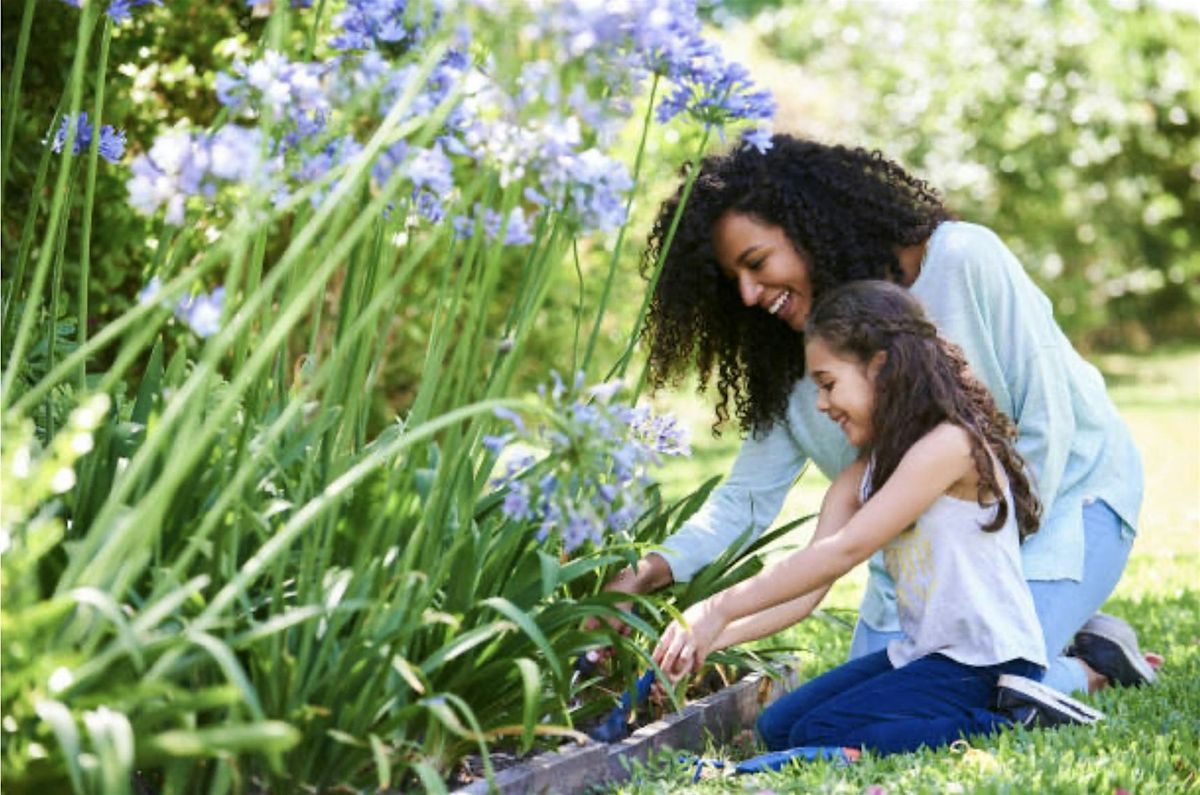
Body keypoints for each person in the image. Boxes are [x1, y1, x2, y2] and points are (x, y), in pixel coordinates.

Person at [602, 135, 1155, 705]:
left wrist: (991, 587)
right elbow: (743, 502)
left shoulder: (963, 260)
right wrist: (648, 571)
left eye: (757, 263)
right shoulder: (793, 366)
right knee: (884, 694)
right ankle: (1060, 639)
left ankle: (1090, 667)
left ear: (809, 225)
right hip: (928, 561)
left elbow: (1049, 424)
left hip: (1068, 503)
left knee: (977, 685)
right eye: (732, 280)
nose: (746, 293)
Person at [653, 281, 1092, 756]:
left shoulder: (951, 446)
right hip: (925, 655)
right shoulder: (863, 474)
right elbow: (807, 590)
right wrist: (708, 641)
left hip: (989, 661)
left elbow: (846, 549)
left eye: (827, 383)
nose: (821, 404)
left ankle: (1015, 718)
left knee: (818, 733)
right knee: (779, 728)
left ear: (880, 368)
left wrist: (717, 608)